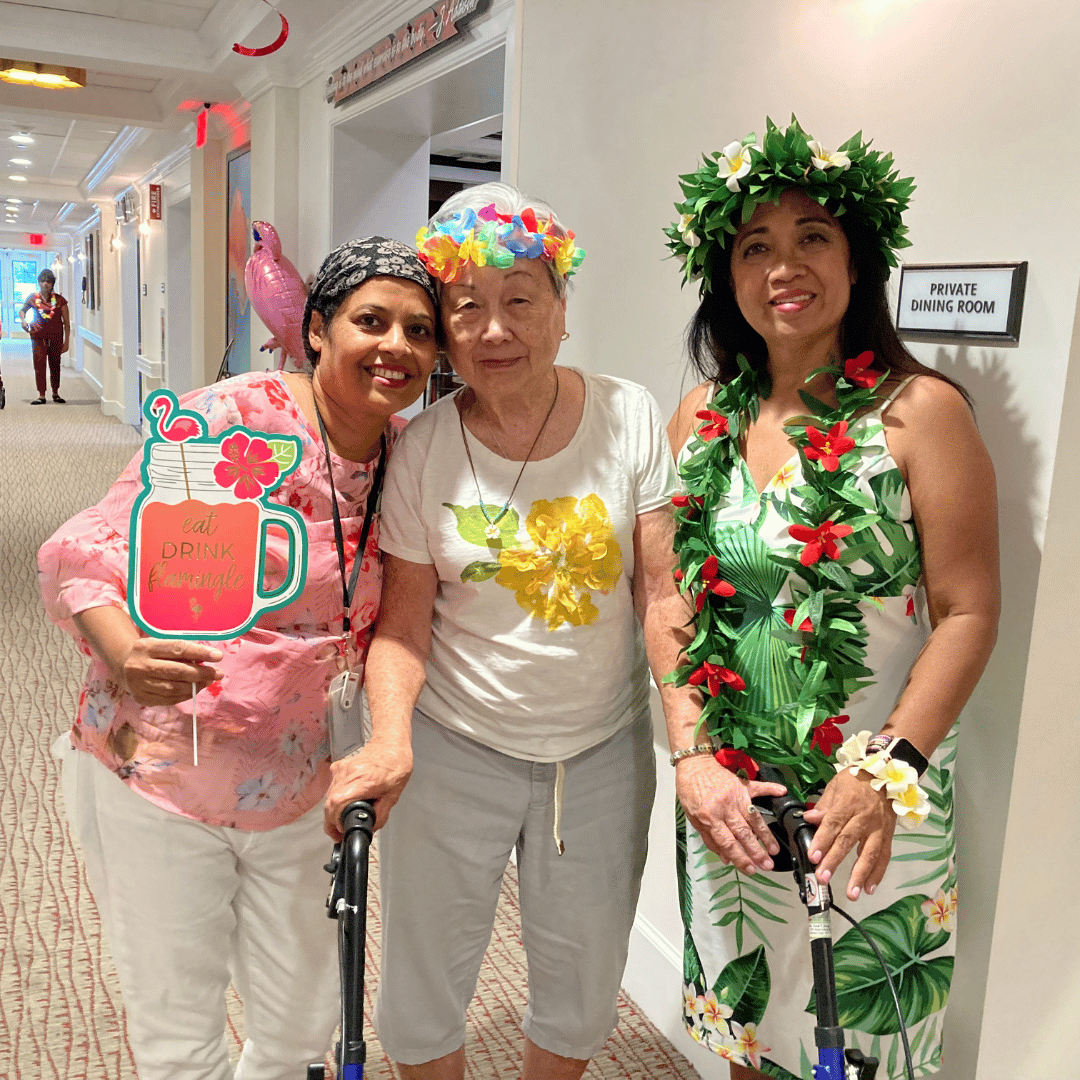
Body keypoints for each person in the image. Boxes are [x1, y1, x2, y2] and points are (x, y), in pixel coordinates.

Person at [38, 237, 439, 1080]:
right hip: (166, 761)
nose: (397, 346)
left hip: (305, 774)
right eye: (373, 321)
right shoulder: (234, 417)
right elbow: (86, 547)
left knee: (303, 1022)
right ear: (318, 329)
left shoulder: (412, 454)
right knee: (178, 1021)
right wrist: (124, 649)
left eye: (420, 330)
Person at [324, 183, 693, 1080]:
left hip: (598, 752)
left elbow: (660, 593)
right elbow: (405, 624)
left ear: (562, 311)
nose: (495, 329)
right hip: (456, 743)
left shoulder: (629, 414)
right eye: (467, 308)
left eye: (520, 300)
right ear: (445, 328)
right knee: (422, 975)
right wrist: (388, 741)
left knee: (582, 977)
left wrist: (692, 745)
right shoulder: (422, 450)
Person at [662, 119, 1000, 1078]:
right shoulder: (701, 417)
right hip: (734, 801)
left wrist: (885, 771)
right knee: (749, 1035)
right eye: (754, 246)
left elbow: (969, 610)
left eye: (812, 236)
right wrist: (692, 760)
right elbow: (680, 607)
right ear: (725, 274)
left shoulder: (919, 412)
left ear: (861, 262)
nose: (783, 265)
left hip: (873, 803)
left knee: (861, 1052)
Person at [20, 267, 70, 404]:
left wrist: (67, 342)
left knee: (55, 364)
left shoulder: (60, 300)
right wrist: (23, 320)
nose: (45, 284)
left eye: (48, 281)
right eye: (42, 281)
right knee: (39, 365)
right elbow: (22, 311)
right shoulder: (33, 298)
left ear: (52, 283)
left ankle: (55, 393)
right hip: (38, 336)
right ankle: (41, 395)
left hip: (56, 337)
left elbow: (66, 323)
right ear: (39, 282)